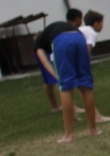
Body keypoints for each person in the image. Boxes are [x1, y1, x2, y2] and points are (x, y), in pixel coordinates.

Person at [34, 10, 100, 143]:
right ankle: (93, 130)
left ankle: (69, 135)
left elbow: (44, 61)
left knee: (66, 88)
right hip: (79, 37)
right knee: (85, 85)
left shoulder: (38, 43)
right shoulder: (55, 29)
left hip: (62, 40)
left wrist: (58, 78)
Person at [33, 11, 81, 112]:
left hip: (47, 53)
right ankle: (72, 108)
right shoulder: (40, 47)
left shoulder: (45, 40)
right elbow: (45, 61)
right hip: (47, 54)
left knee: (50, 82)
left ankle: (55, 107)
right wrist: (57, 76)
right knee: (58, 82)